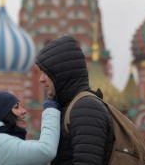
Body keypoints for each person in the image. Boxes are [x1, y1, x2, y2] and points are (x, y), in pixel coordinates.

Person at [36, 35, 114, 165]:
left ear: (60, 73)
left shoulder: (86, 109)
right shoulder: (73, 107)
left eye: (45, 72)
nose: (41, 79)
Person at [0, 91, 61, 165]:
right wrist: (50, 110)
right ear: (2, 114)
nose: (23, 111)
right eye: (16, 107)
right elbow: (46, 150)